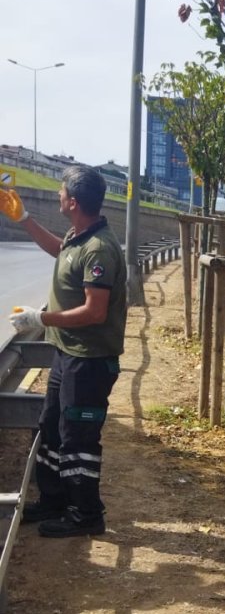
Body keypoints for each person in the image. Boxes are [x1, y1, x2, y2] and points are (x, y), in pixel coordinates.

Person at [0, 166, 127, 537]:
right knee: (52, 428)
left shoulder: (99, 248)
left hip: (88, 362)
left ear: (72, 201)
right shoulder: (79, 236)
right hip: (66, 355)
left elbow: (95, 311)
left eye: (60, 191)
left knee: (78, 438)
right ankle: (54, 499)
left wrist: (42, 318)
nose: (57, 194)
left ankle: (87, 514)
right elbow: (60, 251)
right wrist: (24, 219)